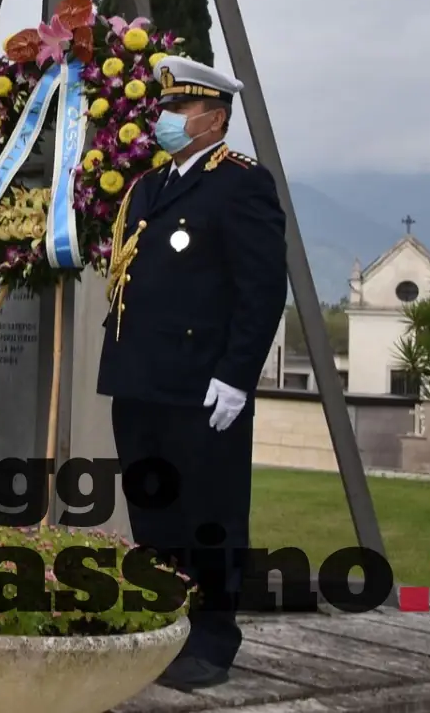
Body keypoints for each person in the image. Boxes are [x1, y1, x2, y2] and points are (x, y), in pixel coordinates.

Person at [98, 55, 287, 692]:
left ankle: (210, 638)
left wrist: (237, 375)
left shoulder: (240, 184)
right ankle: (161, 623)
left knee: (209, 513)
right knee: (153, 509)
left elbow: (261, 288)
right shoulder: (148, 188)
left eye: (179, 109)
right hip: (142, 381)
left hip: (203, 386)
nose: (166, 119)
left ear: (215, 118)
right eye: (165, 108)